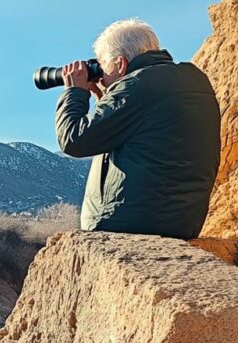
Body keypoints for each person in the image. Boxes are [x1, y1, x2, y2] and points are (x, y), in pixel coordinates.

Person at [55, 19, 221, 239]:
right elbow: (150, 134)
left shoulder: (135, 87)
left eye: (103, 66)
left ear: (121, 64)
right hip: (183, 222)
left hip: (129, 224)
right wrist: (106, 100)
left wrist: (75, 92)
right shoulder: (193, 81)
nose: (101, 77)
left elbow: (74, 140)